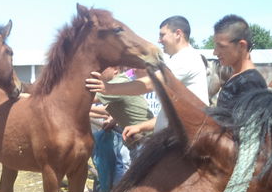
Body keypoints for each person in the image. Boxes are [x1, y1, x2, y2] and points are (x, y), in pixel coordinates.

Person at [85, 15, 209, 145]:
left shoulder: (187, 59)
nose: (159, 40)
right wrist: (140, 127)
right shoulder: (179, 60)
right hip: (175, 140)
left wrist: (109, 88)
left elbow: (151, 83)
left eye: (162, 35)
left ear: (178, 34)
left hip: (183, 142)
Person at [88, 66, 154, 192]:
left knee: (134, 184)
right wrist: (115, 120)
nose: (99, 71)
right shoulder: (123, 82)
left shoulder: (116, 84)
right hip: (143, 138)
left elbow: (88, 99)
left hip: (143, 141)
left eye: (104, 68)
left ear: (116, 70)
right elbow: (123, 105)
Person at [211, 14, 267, 111]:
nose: (215, 52)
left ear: (241, 46)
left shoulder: (250, 83)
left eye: (221, 46)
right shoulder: (240, 77)